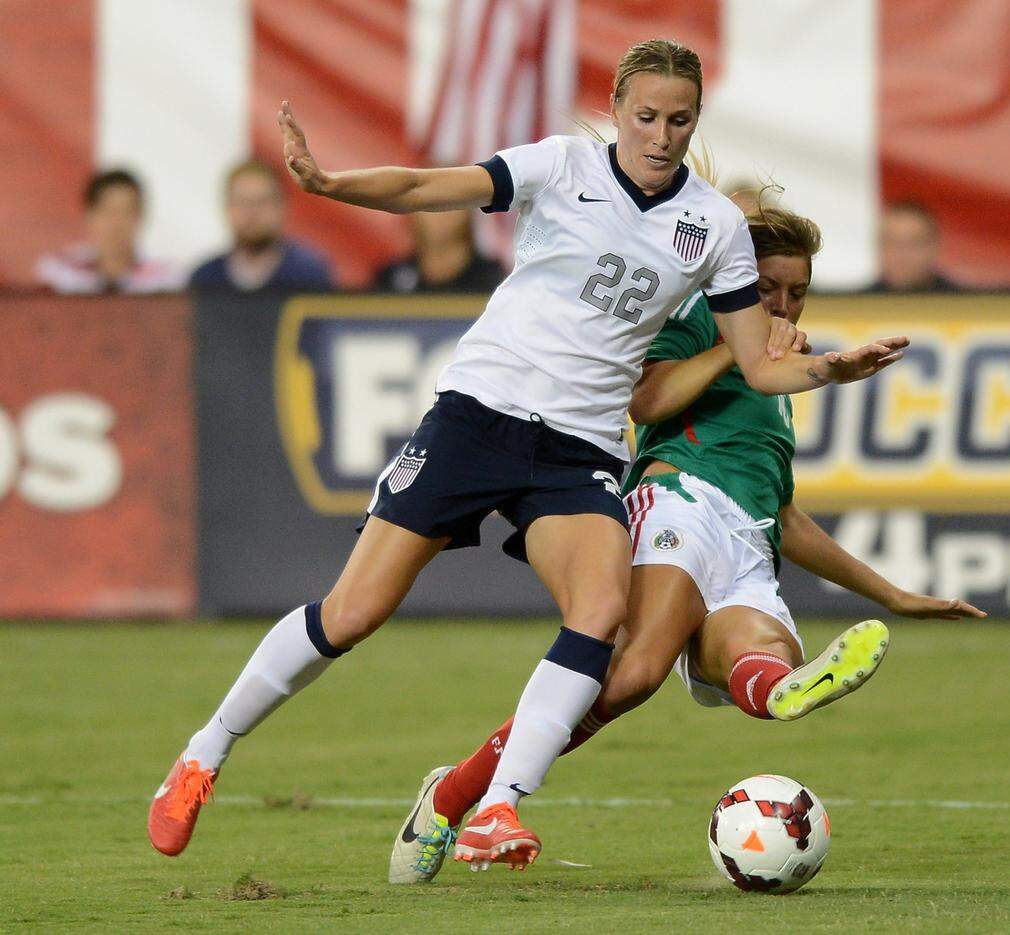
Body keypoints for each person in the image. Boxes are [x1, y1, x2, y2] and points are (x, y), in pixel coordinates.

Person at [147, 39, 906, 870]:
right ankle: (203, 752)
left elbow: (760, 362)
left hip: (576, 449)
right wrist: (331, 184)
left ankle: (497, 807)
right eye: (646, 116)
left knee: (599, 613)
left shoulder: (717, 228)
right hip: (480, 414)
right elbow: (423, 186)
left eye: (679, 120)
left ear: (695, 120)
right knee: (352, 613)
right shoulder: (561, 166)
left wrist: (832, 368)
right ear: (618, 108)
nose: (661, 135)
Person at [390, 203, 981, 884]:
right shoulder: (700, 316)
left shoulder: (779, 383)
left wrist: (893, 593)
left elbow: (782, 514)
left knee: (764, 655)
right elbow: (646, 399)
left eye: (797, 290)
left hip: (751, 544)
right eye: (766, 289)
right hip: (678, 503)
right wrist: (741, 339)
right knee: (636, 672)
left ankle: (779, 685)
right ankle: (458, 796)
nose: (782, 303)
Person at [190, 160, 334, 293]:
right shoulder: (204, 278)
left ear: (282, 207)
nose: (252, 212)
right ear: (227, 208)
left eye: (262, 202)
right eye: (242, 202)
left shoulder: (308, 274)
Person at [35, 169, 183, 294]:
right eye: (108, 211)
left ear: (141, 217)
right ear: (89, 215)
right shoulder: (59, 271)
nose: (116, 223)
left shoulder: (165, 279)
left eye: (126, 211)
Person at [373, 208, 504, 293]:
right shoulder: (393, 275)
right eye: (429, 204)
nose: (440, 212)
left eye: (450, 203)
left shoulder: (490, 277)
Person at [865, 200, 959, 293]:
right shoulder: (858, 304)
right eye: (891, 242)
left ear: (933, 247)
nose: (900, 255)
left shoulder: (964, 303)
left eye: (913, 244)